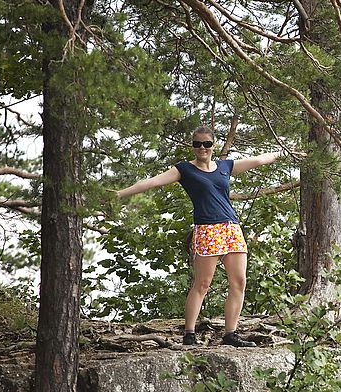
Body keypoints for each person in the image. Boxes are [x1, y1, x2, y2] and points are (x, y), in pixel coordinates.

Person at [116, 126, 279, 347]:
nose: (202, 148)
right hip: (207, 230)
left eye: (206, 144)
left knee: (239, 281)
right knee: (202, 283)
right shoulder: (185, 170)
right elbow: (153, 181)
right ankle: (189, 334)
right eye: (197, 144)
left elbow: (258, 160)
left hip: (231, 229)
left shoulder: (225, 166)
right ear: (192, 146)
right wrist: (119, 194)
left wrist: (283, 152)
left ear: (214, 145)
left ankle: (231, 333)